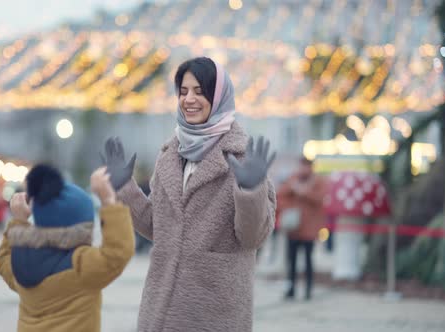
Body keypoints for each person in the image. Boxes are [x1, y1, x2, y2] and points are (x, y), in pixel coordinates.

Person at [100, 57, 277, 331]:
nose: (189, 99)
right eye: (183, 92)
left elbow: (252, 236)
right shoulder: (170, 155)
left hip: (213, 312)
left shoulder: (243, 158)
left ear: (219, 97)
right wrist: (125, 189)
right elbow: (158, 227)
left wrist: (251, 190)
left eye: (199, 91)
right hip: (159, 309)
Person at [0, 164, 135, 332]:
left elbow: (3, 260)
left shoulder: (22, 262)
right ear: (83, 228)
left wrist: (18, 222)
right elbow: (118, 253)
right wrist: (109, 202)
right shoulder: (81, 264)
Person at [277, 157, 327, 300]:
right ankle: (291, 288)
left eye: (306, 166)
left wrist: (304, 193)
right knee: (291, 261)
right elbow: (280, 195)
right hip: (293, 228)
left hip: (309, 229)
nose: (303, 169)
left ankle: (308, 289)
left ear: (311, 167)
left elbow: (320, 199)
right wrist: (293, 189)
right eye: (301, 166)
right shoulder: (293, 179)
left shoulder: (318, 181)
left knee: (308, 260)